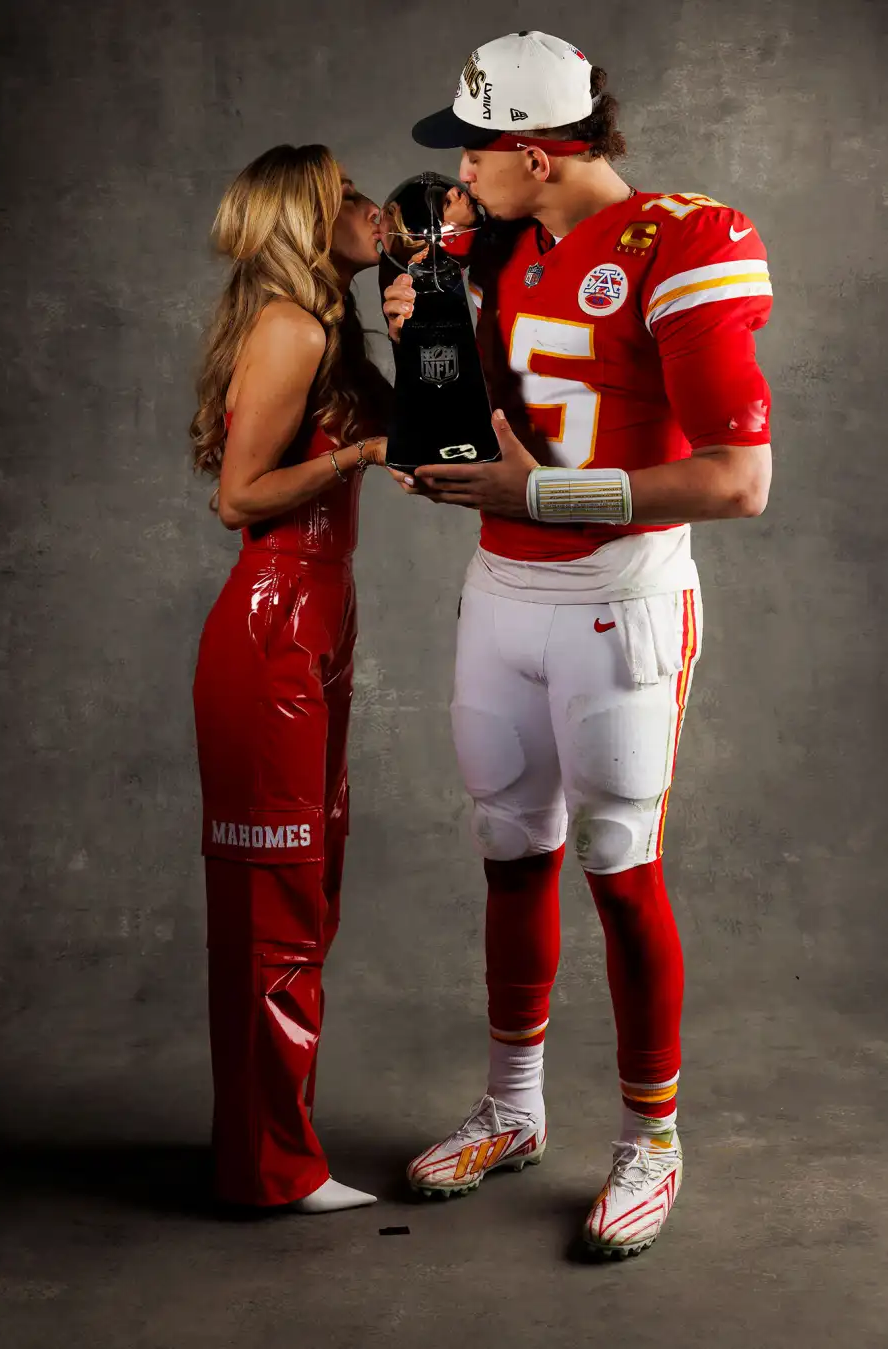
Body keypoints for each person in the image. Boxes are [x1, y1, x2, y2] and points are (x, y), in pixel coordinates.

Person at [383, 31, 772, 1257]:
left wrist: (536, 496)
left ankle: (650, 1136)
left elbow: (737, 478)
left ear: (539, 155)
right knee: (508, 851)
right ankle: (513, 1106)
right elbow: (493, 399)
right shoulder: (503, 240)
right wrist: (426, 317)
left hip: (617, 596)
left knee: (617, 865)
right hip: (499, 593)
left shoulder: (684, 241)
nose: (462, 176)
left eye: (478, 154)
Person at [190, 144, 392, 1213]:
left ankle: (274, 1147)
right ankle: (270, 1167)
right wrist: (356, 459)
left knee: (307, 898)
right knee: (274, 904)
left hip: (315, 622)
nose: (368, 207)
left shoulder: (330, 326)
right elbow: (239, 497)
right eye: (344, 196)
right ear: (304, 222)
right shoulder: (291, 325)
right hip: (271, 624)